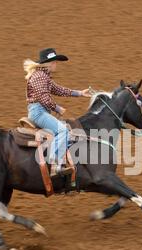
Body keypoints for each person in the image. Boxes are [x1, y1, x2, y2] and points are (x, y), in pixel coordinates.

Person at [24, 48, 91, 176]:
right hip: (38, 112)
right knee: (63, 130)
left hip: (40, 111)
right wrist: (57, 108)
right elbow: (43, 98)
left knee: (63, 131)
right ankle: (55, 164)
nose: (56, 64)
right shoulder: (39, 77)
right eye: (54, 62)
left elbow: (59, 90)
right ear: (48, 63)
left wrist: (79, 93)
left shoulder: (44, 76)